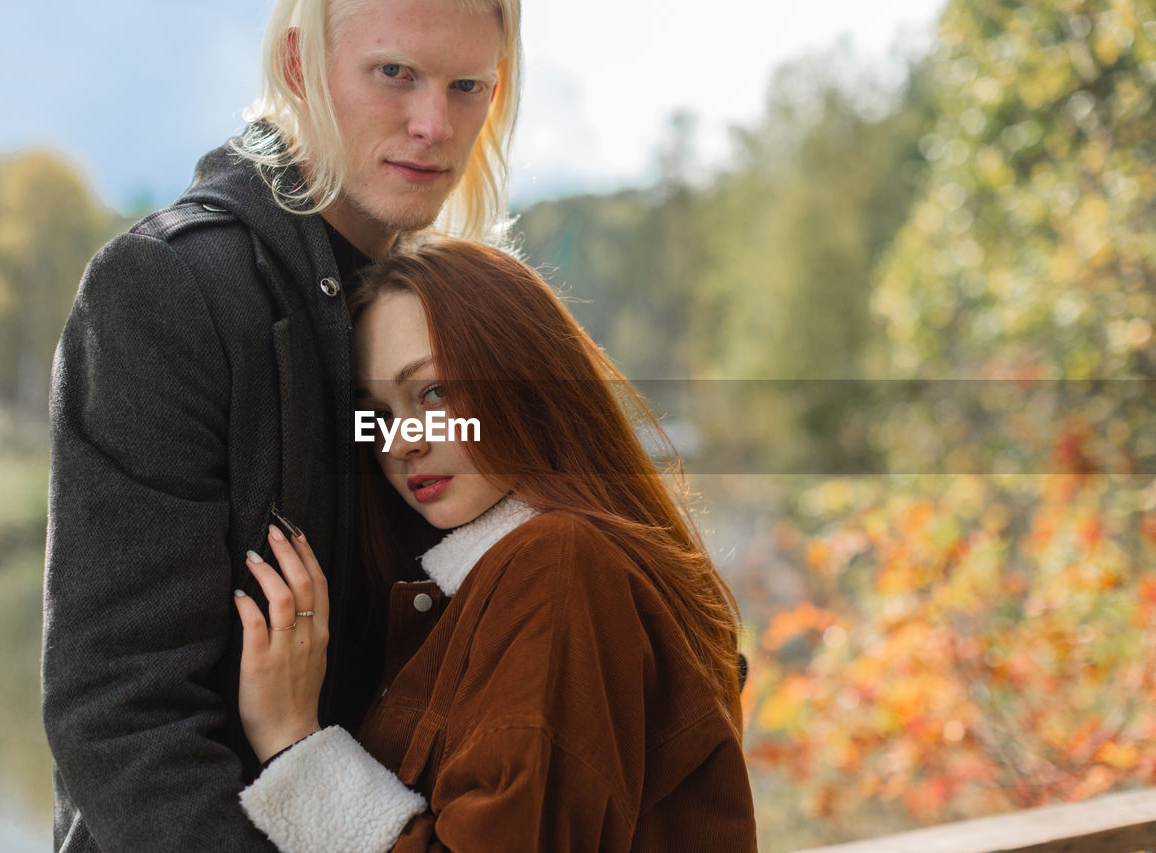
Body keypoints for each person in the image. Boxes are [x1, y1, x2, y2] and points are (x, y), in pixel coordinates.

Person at [41, 0, 522, 849]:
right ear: (300, 66)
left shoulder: (455, 305)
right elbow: (123, 721)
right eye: (394, 73)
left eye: (467, 86)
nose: (433, 124)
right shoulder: (168, 291)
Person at [231, 238, 758, 851]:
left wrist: (294, 743)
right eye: (375, 413)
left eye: (433, 392)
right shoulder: (495, 578)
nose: (400, 445)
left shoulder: (560, 565)